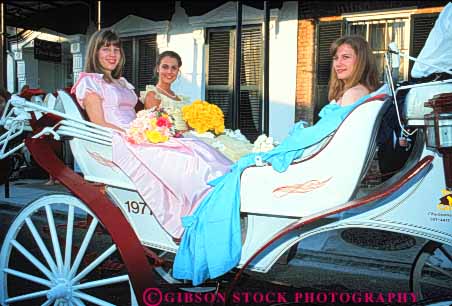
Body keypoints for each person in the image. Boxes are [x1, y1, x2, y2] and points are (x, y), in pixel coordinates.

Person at [173, 35, 382, 285]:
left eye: (346, 57)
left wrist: (288, 144)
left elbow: (319, 135)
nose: (338, 63)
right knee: (244, 163)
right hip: (320, 155)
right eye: (336, 58)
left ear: (362, 60)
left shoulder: (353, 93)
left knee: (241, 170)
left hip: (315, 161)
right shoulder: (358, 92)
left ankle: (217, 245)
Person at [71, 30, 232, 239]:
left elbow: (138, 114)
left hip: (137, 132)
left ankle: (212, 199)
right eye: (106, 49)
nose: (112, 54)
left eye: (116, 49)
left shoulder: (122, 82)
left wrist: (150, 129)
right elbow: (99, 123)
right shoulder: (90, 81)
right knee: (182, 158)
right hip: (117, 138)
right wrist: (135, 134)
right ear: (95, 52)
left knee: (194, 147)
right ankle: (194, 209)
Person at [141, 51, 254, 161]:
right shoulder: (153, 95)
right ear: (157, 69)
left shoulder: (180, 97)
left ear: (178, 71)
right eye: (165, 67)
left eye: (174, 68)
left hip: (191, 136)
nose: (169, 71)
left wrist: (203, 124)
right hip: (179, 142)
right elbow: (156, 128)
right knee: (221, 150)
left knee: (229, 142)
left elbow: (188, 124)